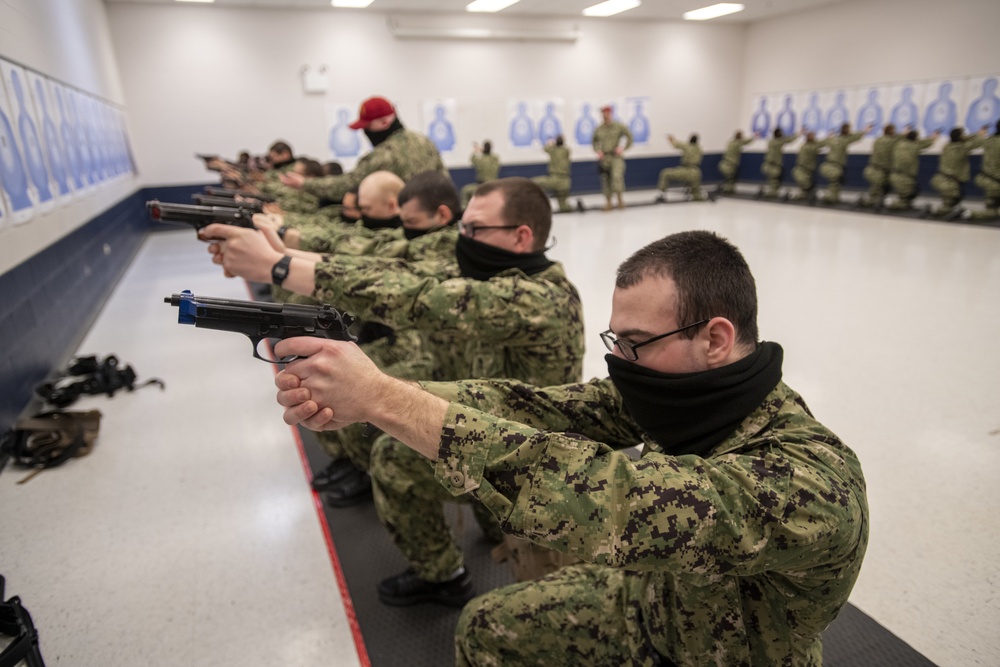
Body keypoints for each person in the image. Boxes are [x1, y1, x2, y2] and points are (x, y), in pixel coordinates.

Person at [273, 230, 869, 666]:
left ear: (715, 338)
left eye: (636, 343)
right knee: (486, 629)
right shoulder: (684, 395)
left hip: (733, 656)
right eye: (616, 340)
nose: (619, 362)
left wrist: (384, 402)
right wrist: (382, 391)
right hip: (652, 601)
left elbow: (609, 499)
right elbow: (537, 408)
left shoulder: (807, 483)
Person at [207, 177, 584, 524]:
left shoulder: (543, 301)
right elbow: (391, 267)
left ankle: (443, 577)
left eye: (475, 229)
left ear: (521, 237)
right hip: (481, 403)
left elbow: (420, 298)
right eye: (463, 226)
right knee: (367, 392)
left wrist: (279, 267)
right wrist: (291, 255)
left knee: (392, 456)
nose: (462, 238)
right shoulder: (491, 268)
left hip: (526, 449)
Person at [279, 95, 448, 206]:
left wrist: (304, 183)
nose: (365, 131)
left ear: (384, 123)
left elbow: (346, 185)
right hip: (436, 215)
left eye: (367, 126)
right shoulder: (423, 140)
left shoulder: (382, 155)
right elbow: (444, 179)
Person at [928, 126, 989, 218]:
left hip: (939, 179)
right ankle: (936, 209)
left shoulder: (947, 146)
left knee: (951, 200)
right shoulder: (962, 148)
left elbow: (959, 140)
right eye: (963, 134)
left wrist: (962, 137)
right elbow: (978, 142)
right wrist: (980, 134)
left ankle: (943, 208)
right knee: (950, 204)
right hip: (951, 184)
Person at [817, 122, 871, 205]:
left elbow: (819, 144)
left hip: (827, 165)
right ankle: (832, 197)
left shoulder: (833, 139)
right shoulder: (844, 140)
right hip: (835, 167)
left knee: (835, 183)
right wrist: (865, 130)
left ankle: (833, 197)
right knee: (835, 183)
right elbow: (856, 136)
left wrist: (828, 137)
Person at [592, 105, 633, 211]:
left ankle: (620, 200)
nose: (605, 115)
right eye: (603, 113)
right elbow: (594, 141)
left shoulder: (618, 126)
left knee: (617, 177)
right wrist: (598, 151)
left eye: (607, 113)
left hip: (616, 156)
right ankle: (608, 203)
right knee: (605, 180)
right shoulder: (599, 128)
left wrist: (623, 148)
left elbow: (629, 136)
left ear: (610, 114)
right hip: (605, 158)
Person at [887, 129, 939, 210]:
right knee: (914, 190)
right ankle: (900, 204)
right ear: (915, 139)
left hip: (893, 176)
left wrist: (903, 133)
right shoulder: (914, 147)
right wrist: (933, 138)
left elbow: (895, 137)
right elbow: (926, 144)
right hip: (906, 178)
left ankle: (902, 201)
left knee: (908, 191)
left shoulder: (898, 144)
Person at [962, 119, 1000, 220]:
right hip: (995, 182)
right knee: (992, 212)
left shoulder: (989, 140)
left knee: (992, 208)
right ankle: (971, 214)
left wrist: (979, 134)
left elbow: (969, 142)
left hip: (987, 180)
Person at [858, 124, 901, 209]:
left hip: (872, 169)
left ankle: (871, 200)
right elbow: (900, 138)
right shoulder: (892, 141)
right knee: (880, 188)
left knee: (876, 188)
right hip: (882, 171)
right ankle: (871, 202)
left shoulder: (878, 140)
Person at [655, 133, 708, 202]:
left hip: (685, 170)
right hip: (696, 172)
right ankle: (696, 194)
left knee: (665, 173)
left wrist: (671, 139)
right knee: (696, 193)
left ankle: (661, 194)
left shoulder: (687, 146)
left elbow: (676, 144)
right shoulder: (699, 148)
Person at [532, 135, 572, 212]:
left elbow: (545, 149)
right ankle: (567, 207)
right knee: (563, 205)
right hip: (566, 180)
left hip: (555, 179)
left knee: (534, 182)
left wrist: (551, 143)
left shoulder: (553, 150)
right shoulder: (566, 150)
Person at [460, 141, 501, 208]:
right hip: (494, 185)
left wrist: (476, 151)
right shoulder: (495, 158)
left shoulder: (481, 160)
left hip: (482, 185)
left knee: (465, 190)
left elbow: (472, 159)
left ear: (484, 148)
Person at [758, 127, 795, 199]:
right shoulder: (775, 141)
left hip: (773, 163)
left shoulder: (775, 141)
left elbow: (789, 140)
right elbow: (789, 140)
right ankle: (773, 191)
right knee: (772, 178)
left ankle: (773, 191)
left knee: (774, 178)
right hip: (772, 163)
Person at [789, 129, 825, 202]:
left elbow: (819, 145)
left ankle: (807, 192)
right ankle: (806, 193)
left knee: (806, 184)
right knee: (804, 183)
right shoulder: (807, 146)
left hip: (805, 170)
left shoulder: (808, 146)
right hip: (803, 170)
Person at [716, 130, 755, 195]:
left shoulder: (730, 142)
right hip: (732, 163)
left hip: (725, 161)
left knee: (729, 177)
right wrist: (754, 136)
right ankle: (729, 189)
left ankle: (728, 188)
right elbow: (746, 142)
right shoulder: (738, 143)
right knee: (731, 177)